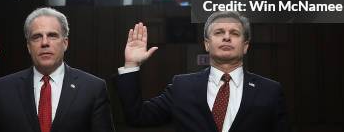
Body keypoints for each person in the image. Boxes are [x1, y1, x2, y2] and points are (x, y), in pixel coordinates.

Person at [115, 11, 289, 132]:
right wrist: (131, 65)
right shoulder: (182, 87)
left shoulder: (270, 91)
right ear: (206, 44)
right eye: (219, 32)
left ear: (245, 46)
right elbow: (137, 117)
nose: (226, 37)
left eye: (234, 33)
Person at [0, 7, 115, 132]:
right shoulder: (3, 89)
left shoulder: (93, 88)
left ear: (65, 43)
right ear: (29, 46)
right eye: (36, 37)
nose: (45, 43)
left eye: (52, 35)